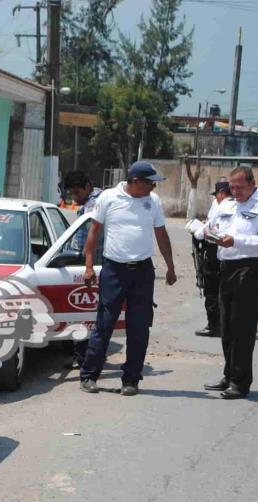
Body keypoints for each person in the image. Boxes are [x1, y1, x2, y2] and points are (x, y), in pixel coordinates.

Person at [79, 161, 177, 396]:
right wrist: (89, 266)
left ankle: (131, 380)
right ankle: (89, 376)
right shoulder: (109, 198)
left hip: (143, 272)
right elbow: (93, 233)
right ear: (135, 182)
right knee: (104, 324)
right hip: (114, 270)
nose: (153, 188)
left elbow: (161, 235)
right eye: (150, 183)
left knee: (139, 327)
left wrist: (170, 267)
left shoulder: (152, 202)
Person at [203, 166, 258, 400]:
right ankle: (229, 375)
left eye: (239, 187)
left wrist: (235, 240)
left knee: (242, 326)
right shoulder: (228, 204)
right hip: (226, 267)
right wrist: (206, 232)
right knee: (226, 325)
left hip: (250, 268)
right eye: (231, 187)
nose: (234, 191)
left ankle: (240, 381)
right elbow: (214, 227)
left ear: (251, 183)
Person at [62, 171, 103, 369]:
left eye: (77, 192)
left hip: (90, 267)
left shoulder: (92, 207)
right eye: (71, 194)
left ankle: (84, 359)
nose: (74, 198)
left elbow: (86, 243)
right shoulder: (94, 202)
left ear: (88, 186)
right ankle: (85, 357)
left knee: (85, 315)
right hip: (93, 266)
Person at [190, 179, 232, 337]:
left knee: (212, 289)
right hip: (231, 253)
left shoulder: (221, 206)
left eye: (217, 195)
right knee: (226, 290)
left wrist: (197, 231)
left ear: (221, 193)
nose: (216, 198)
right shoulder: (239, 205)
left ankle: (214, 325)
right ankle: (226, 324)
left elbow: (208, 231)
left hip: (216, 249)